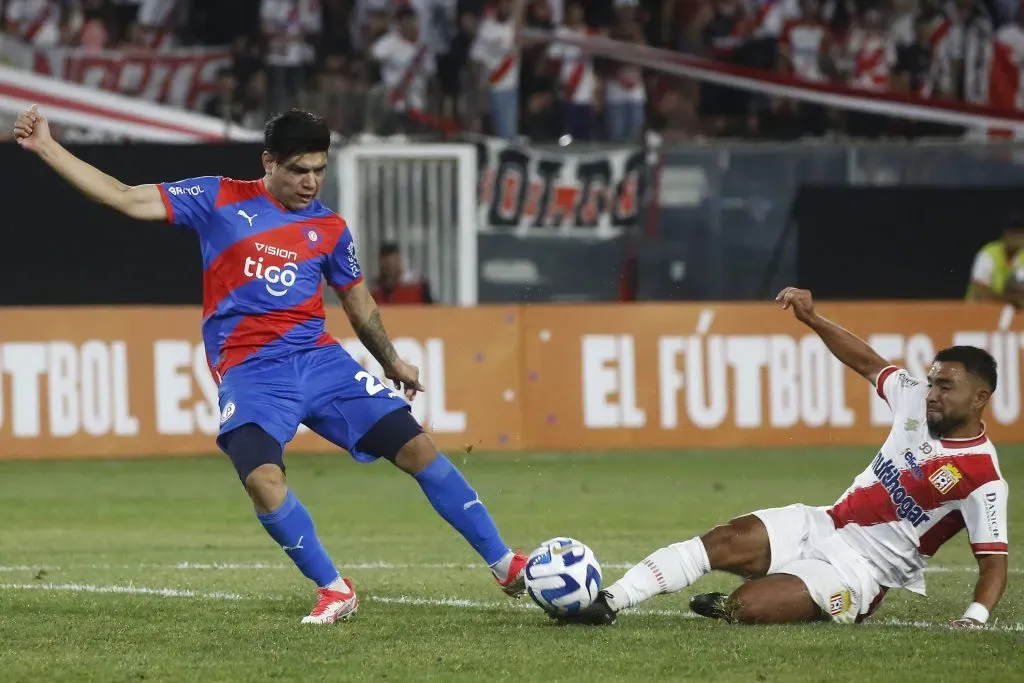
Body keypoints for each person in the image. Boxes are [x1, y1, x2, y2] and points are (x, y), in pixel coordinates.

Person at [12, 105, 527, 625]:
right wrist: (49, 148)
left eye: (319, 170)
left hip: (321, 362)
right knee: (261, 479)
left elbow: (358, 302)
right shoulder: (218, 198)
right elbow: (125, 198)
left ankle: (506, 564)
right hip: (252, 372)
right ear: (269, 162)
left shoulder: (329, 229)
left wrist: (391, 360)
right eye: (299, 170)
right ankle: (334, 588)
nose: (311, 182)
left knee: (418, 448)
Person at [554, 287, 1009, 629]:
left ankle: (740, 600)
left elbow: (994, 563)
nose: (932, 393)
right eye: (932, 382)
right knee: (724, 539)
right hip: (824, 522)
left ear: (979, 397)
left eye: (946, 386)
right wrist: (811, 318)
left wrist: (975, 616)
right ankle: (608, 601)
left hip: (860, 574)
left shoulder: (982, 477)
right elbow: (868, 362)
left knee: (748, 607)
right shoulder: (913, 400)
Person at [966, 210, 1024, 307]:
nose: (1016, 239)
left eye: (1020, 234)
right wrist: (1008, 300)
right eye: (1013, 233)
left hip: (1006, 316)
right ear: (1005, 234)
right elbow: (979, 293)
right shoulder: (988, 254)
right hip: (975, 314)